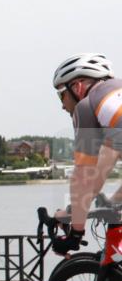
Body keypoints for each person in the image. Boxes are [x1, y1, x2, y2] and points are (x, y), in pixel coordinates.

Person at [51, 53, 122, 255]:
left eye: (61, 94)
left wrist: (75, 233)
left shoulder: (86, 106)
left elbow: (83, 175)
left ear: (78, 86)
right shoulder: (112, 106)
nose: (62, 105)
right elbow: (97, 175)